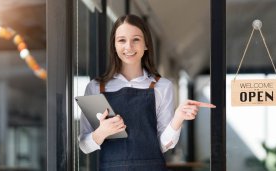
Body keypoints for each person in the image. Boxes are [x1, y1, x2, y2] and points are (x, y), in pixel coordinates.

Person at [78, 14, 215, 171]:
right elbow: (84, 146)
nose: (128, 47)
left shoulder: (162, 86)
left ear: (146, 45)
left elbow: (163, 145)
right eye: (121, 40)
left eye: (136, 39)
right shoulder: (96, 87)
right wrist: (101, 133)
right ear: (114, 46)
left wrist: (178, 118)